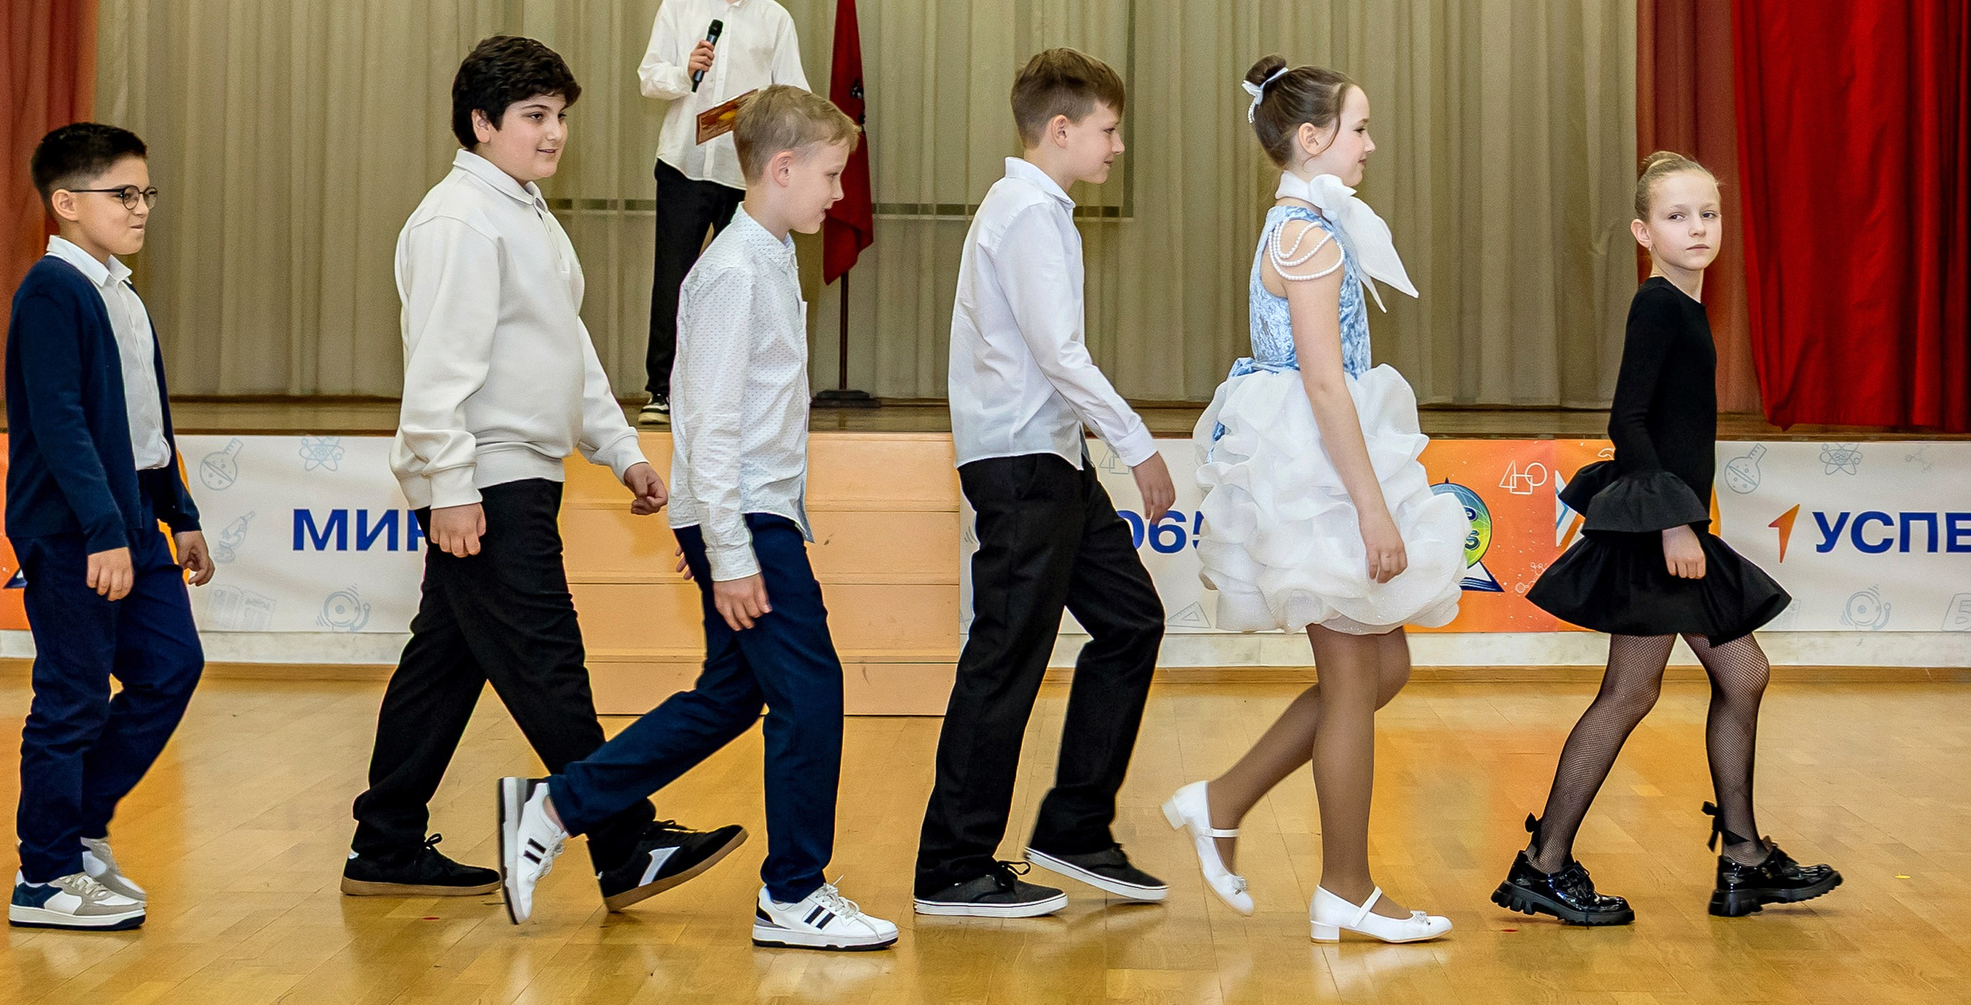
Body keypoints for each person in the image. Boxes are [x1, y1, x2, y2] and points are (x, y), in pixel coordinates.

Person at [499, 85, 898, 952]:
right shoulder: (731, 273)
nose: (838, 193)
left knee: (732, 696)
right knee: (811, 691)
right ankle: (792, 891)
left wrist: (710, 529)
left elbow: (737, 421)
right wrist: (727, 543)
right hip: (745, 519)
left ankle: (563, 801)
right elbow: (706, 422)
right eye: (830, 175)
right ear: (781, 168)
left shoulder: (766, 259)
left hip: (744, 515)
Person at [348, 36, 742, 907]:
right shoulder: (459, 219)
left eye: (559, 115)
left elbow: (569, 357)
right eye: (534, 116)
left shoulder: (524, 212)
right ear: (482, 124)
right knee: (547, 659)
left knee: (444, 665)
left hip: (516, 471)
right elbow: (437, 372)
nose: (554, 133)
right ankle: (625, 840)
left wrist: (624, 451)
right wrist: (448, 486)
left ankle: (384, 842)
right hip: (486, 480)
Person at [1158, 56, 1465, 945]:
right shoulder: (1309, 234)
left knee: (1380, 671)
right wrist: (1371, 508)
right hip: (1319, 471)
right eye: (1359, 128)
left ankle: (1222, 798)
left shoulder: (1307, 223)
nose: (1370, 144)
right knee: (1353, 679)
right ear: (1311, 138)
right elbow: (1326, 385)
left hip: (1325, 455)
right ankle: (1345, 885)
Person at [1495, 153, 1839, 924]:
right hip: (1660, 528)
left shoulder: (1684, 304)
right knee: (1639, 690)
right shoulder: (1658, 305)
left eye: (1708, 214)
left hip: (1666, 523)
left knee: (1728, 676)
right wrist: (1676, 521)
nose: (1698, 228)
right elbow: (1629, 421)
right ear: (1644, 231)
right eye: (1678, 216)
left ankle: (1742, 857)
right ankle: (1545, 862)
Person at [913, 49, 1175, 918]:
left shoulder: (1040, 209)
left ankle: (1074, 824)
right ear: (1059, 130)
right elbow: (1058, 353)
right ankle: (952, 862)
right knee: (1006, 657)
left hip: (1053, 458)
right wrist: (1139, 443)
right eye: (1107, 129)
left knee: (1132, 620)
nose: (1117, 146)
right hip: (1023, 463)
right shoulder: (1026, 212)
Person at [4, 122, 217, 931]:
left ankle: (81, 825)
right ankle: (44, 874)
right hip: (74, 529)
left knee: (170, 667)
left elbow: (142, 421)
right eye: (123, 194)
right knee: (72, 697)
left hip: (130, 513)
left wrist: (178, 514)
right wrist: (102, 532)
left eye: (145, 193)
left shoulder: (117, 289)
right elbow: (60, 424)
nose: (140, 208)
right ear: (65, 203)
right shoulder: (53, 291)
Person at [634, 0, 809, 425]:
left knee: (748, 280)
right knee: (675, 277)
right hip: (685, 163)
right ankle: (661, 392)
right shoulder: (679, 5)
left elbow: (793, 89)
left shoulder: (774, 18)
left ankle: (745, 392)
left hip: (746, 172)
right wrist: (683, 71)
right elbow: (650, 77)